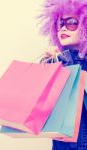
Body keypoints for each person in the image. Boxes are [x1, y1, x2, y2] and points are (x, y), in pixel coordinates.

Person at [37, 0, 87, 149]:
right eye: (60, 23)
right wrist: (48, 63)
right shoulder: (56, 59)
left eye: (71, 22)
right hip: (61, 144)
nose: (63, 28)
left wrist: (67, 63)